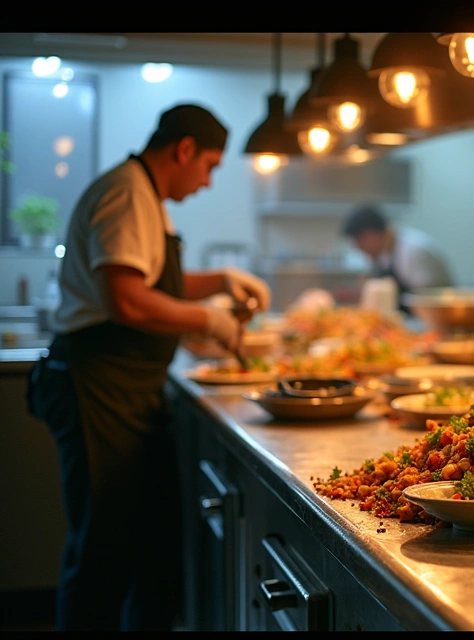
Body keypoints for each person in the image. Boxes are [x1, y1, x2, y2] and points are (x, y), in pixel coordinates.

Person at [24, 104, 271, 631]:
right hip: (97, 386)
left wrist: (221, 280)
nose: (207, 182)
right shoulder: (127, 193)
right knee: (103, 552)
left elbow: (152, 280)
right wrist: (210, 318)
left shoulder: (144, 195)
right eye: (209, 166)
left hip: (124, 391)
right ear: (183, 150)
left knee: (147, 549)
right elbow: (128, 301)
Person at [341, 204, 455, 316]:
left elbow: (427, 301)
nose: (359, 249)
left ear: (370, 235)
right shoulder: (381, 254)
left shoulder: (414, 251)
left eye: (359, 243)